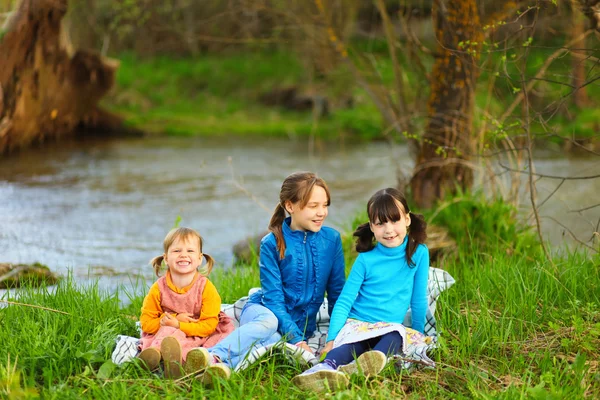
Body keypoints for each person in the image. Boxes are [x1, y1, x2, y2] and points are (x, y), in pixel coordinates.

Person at [189, 171, 346, 385]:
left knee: (272, 344)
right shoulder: (271, 243)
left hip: (297, 328)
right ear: (290, 206)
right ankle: (212, 355)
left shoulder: (332, 240)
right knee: (269, 325)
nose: (322, 213)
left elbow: (338, 296)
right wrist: (299, 341)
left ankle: (218, 371)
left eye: (325, 205)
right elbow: (273, 301)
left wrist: (332, 338)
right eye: (313, 206)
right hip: (262, 312)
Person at [292, 188, 429, 392]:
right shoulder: (365, 260)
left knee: (396, 336)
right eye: (380, 223)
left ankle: (365, 366)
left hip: (390, 326)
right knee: (349, 347)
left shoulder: (419, 253)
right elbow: (345, 301)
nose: (389, 230)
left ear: (407, 220)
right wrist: (331, 339)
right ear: (372, 228)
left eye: (395, 220)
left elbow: (418, 300)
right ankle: (322, 369)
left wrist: (418, 332)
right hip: (359, 323)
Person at [137, 227, 234, 379]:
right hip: (165, 332)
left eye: (190, 251)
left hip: (199, 331)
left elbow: (208, 325)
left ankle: (176, 364)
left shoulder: (206, 288)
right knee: (168, 331)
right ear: (166, 258)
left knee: (181, 339)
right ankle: (153, 356)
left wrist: (179, 325)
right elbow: (146, 322)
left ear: (199, 258)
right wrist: (168, 322)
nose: (183, 255)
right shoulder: (158, 288)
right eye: (176, 251)